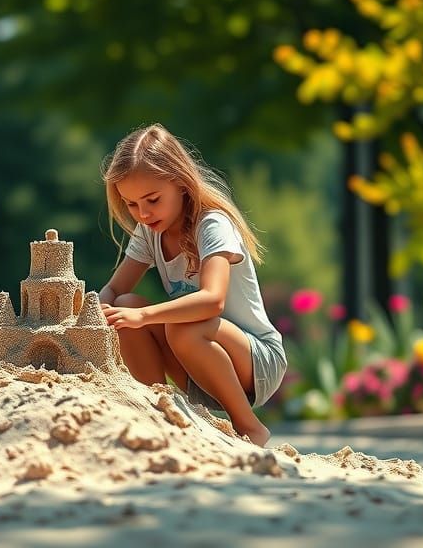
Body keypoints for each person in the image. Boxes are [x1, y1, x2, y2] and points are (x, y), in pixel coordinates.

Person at [98, 124, 285, 446]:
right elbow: (113, 291)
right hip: (198, 366)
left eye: (152, 200)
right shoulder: (149, 232)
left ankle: (250, 427)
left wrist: (145, 317)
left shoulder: (212, 224)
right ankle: (156, 413)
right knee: (125, 305)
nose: (142, 213)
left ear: (181, 184)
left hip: (256, 362)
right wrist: (96, 310)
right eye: (130, 204)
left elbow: (213, 301)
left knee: (180, 326)